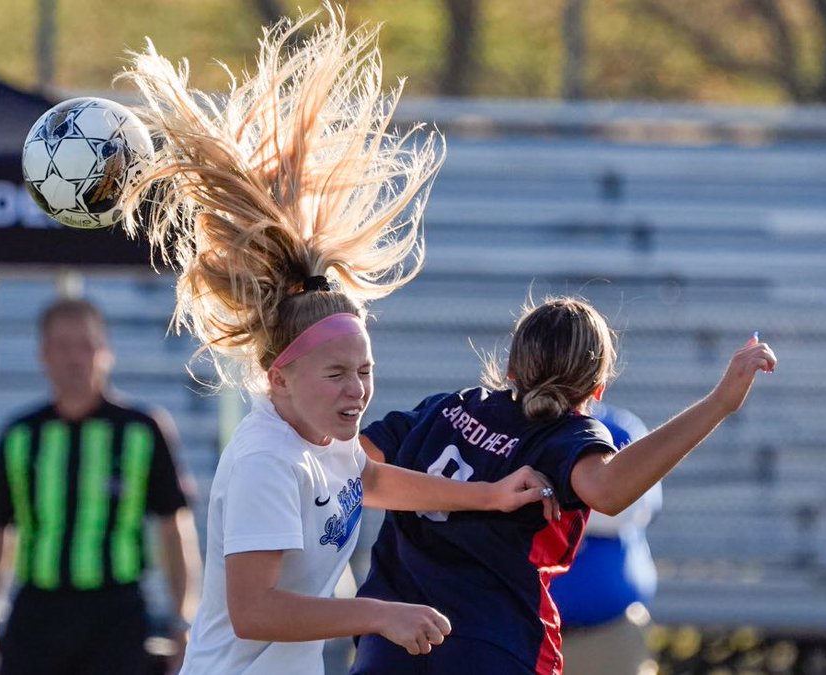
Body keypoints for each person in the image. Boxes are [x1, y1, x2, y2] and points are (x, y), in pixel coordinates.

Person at [115, 7, 557, 674]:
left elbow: (368, 478)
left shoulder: (323, 440)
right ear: (278, 377)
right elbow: (255, 611)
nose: (357, 390)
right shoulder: (270, 461)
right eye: (335, 374)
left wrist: (488, 496)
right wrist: (380, 613)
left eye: (364, 370)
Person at [350, 298, 776, 675]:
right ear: (598, 387)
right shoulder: (565, 436)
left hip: (389, 646)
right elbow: (607, 491)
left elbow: (350, 467)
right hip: (495, 647)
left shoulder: (450, 406)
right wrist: (720, 402)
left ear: (511, 367)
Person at [0, 298, 202, 675]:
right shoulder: (20, 434)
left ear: (106, 352)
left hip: (115, 612)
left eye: (86, 345)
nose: (75, 358)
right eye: (62, 346)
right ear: (43, 354)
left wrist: (183, 621)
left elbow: (174, 530)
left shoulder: (142, 430)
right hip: (37, 613)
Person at [551, 404, 662, 675]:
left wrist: (545, 500)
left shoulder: (616, 429)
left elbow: (632, 509)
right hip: (519, 634)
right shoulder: (506, 426)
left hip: (606, 633)